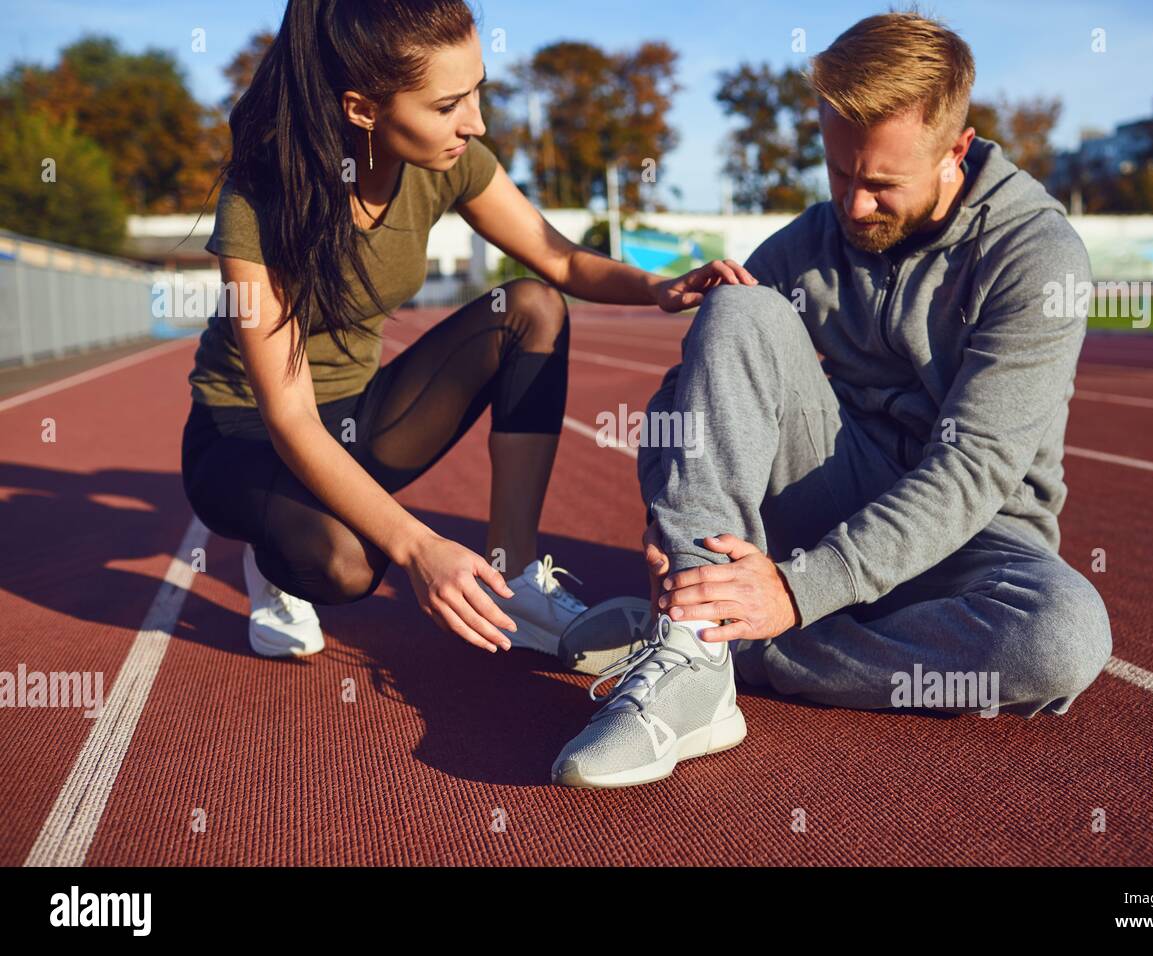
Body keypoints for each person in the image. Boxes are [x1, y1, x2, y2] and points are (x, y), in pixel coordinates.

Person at [552, 11, 1113, 789]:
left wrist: (795, 591)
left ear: (956, 149)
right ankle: (694, 642)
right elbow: (686, 397)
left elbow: (975, 468)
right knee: (739, 306)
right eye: (840, 174)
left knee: (1061, 639)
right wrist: (667, 522)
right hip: (833, 487)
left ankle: (736, 650)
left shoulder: (1033, 255)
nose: (853, 206)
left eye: (882, 184)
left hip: (975, 535)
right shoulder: (809, 243)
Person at [180, 0, 756, 660]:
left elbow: (560, 258)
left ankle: (514, 571)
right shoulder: (262, 196)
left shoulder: (450, 161)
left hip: (358, 418)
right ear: (362, 108)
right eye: (448, 104)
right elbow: (290, 419)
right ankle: (273, 554)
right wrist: (417, 546)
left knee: (532, 308)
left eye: (477, 90)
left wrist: (658, 288)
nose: (474, 122)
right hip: (249, 438)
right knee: (345, 565)